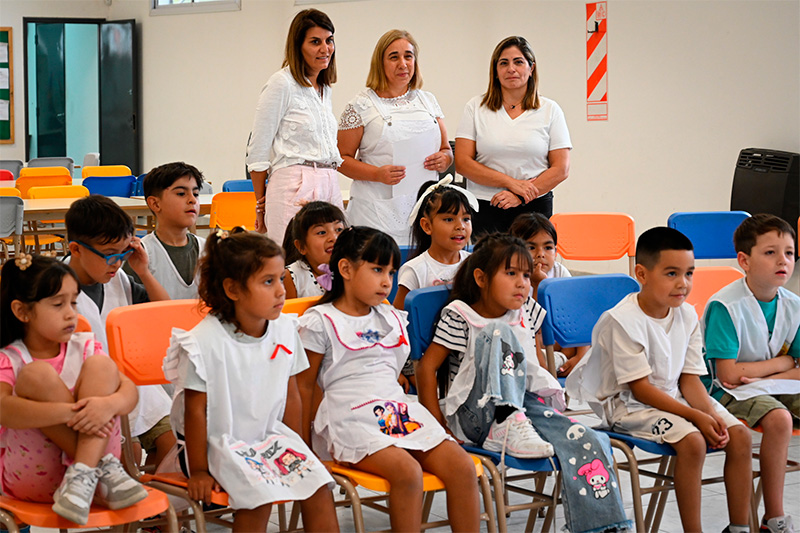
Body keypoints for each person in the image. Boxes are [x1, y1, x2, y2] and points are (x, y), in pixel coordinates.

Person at [417, 234, 630, 533]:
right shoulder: (460, 314)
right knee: (497, 334)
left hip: (525, 410)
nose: (522, 283)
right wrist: (439, 427)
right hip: (476, 415)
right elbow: (426, 368)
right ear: (481, 278)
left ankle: (602, 527)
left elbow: (534, 362)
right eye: (511, 273)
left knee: (587, 439)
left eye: (527, 275)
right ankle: (504, 421)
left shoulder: (526, 309)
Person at [567, 227, 753, 533]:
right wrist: (696, 417)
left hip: (674, 397)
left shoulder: (687, 315)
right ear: (642, 273)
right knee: (693, 442)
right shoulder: (622, 321)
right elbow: (641, 390)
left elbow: (689, 380)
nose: (683, 283)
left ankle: (739, 528)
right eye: (671, 274)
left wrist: (709, 413)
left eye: (689, 273)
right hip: (629, 406)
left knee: (740, 436)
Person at [296, 226, 480, 532]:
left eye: (392, 272)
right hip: (349, 418)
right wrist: (304, 447)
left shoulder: (391, 318)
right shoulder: (320, 321)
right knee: (407, 472)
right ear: (345, 269)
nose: (387, 281)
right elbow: (303, 387)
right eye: (377, 269)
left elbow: (391, 372)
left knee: (462, 467)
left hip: (396, 411)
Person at [163, 228, 338, 533]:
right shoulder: (202, 342)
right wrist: (200, 471)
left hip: (268, 438)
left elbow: (292, 396)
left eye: (280, 278)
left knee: (319, 487)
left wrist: (301, 448)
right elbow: (195, 411)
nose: (281, 291)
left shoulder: (285, 329)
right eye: (268, 282)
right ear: (232, 289)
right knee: (260, 496)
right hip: (215, 446)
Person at [0, 255, 146, 525]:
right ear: (22, 311)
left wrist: (108, 405)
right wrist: (71, 413)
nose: (71, 313)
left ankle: (84, 472)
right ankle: (93, 466)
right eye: (58, 304)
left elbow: (129, 393)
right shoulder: (11, 358)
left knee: (102, 366)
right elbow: (3, 410)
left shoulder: (86, 346)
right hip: (36, 476)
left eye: (74, 302)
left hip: (99, 483)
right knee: (36, 375)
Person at [702, 214, 799, 533]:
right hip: (723, 390)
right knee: (779, 419)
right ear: (744, 260)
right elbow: (729, 374)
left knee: (780, 412)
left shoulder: (794, 305)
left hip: (768, 386)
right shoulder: (726, 305)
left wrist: (767, 377)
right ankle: (774, 519)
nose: (783, 260)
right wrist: (783, 363)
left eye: (789, 252)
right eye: (770, 252)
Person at [65, 196, 175, 472]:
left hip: (136, 386)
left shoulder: (120, 279)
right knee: (128, 456)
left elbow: (166, 314)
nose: (116, 263)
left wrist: (143, 272)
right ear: (76, 249)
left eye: (123, 253)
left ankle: (152, 496)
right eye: (110, 254)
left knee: (175, 444)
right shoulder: (55, 287)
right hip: (89, 393)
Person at [337, 29, 452, 246]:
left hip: (424, 211)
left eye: (408, 56)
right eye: (393, 57)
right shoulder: (361, 106)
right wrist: (376, 174)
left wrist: (444, 159)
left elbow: (446, 150)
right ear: (379, 63)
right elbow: (340, 159)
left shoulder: (428, 101)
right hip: (374, 214)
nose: (403, 64)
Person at [455, 36, 571, 235]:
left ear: (531, 68)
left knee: (532, 257)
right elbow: (462, 163)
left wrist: (521, 196)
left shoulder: (550, 110)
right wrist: (510, 183)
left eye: (518, 62)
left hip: (534, 207)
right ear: (495, 71)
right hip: (485, 206)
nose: (511, 69)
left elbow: (561, 168)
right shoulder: (475, 107)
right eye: (503, 63)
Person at [246, 9, 343, 244]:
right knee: (291, 258)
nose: (325, 49)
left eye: (329, 40)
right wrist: (261, 204)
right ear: (298, 46)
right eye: (315, 42)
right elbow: (257, 151)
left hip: (329, 180)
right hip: (293, 182)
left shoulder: (324, 88)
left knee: (334, 257)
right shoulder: (281, 83)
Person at [510, 212, 587, 376]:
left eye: (548, 248)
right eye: (531, 247)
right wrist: (537, 285)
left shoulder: (560, 272)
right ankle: (552, 363)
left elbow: (578, 316)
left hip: (558, 337)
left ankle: (560, 360)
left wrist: (581, 356)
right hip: (529, 338)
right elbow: (528, 325)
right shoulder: (514, 277)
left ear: (556, 251)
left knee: (580, 339)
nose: (540, 254)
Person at [124, 161, 206, 300]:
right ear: (155, 204)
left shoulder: (208, 249)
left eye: (196, 193)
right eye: (181, 193)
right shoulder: (141, 254)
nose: (192, 200)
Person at [393, 177, 477, 310]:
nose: (460, 226)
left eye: (466, 219)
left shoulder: (475, 263)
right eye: (449, 219)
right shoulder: (414, 270)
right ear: (427, 226)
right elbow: (399, 317)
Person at [281, 201, 346, 299]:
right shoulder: (292, 277)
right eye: (321, 232)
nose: (334, 238)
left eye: (339, 229)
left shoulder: (353, 270)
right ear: (301, 246)